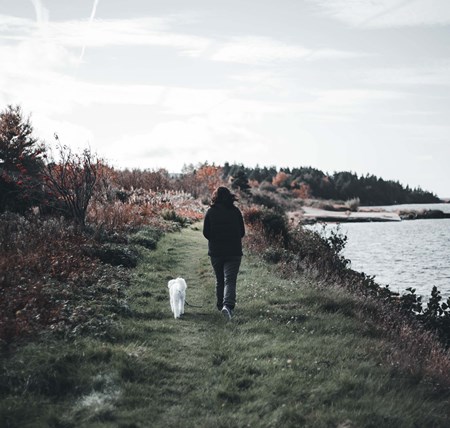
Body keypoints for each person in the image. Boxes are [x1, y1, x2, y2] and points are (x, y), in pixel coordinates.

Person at [203, 186, 245, 320]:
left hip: (216, 252)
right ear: (229, 197)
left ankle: (221, 305)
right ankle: (228, 306)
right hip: (234, 251)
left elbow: (206, 233)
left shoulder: (211, 212)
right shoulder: (235, 211)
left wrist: (216, 239)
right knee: (230, 280)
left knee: (220, 279)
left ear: (215, 197)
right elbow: (242, 232)